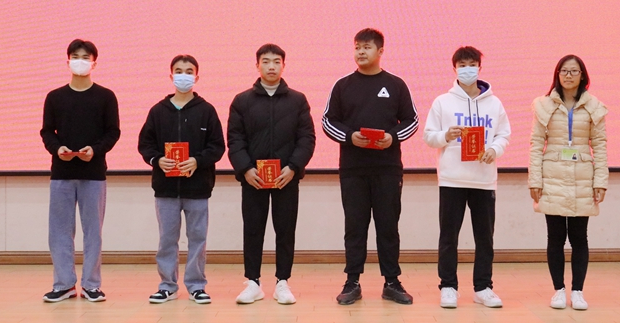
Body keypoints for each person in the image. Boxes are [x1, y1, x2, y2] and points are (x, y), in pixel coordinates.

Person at [322, 28, 419, 305]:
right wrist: (350, 137)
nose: (361, 52)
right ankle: (352, 281)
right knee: (355, 227)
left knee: (388, 226)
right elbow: (328, 121)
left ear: (380, 51)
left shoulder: (396, 84)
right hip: (353, 169)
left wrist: (393, 137)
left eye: (366, 47)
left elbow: (412, 120)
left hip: (387, 168)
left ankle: (392, 282)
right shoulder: (343, 85)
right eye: (357, 47)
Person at [423, 46, 511, 309]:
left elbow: (503, 134)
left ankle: (483, 287)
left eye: (472, 64)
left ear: (479, 67)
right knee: (448, 236)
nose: (467, 69)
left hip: (484, 180)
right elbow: (429, 136)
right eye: (462, 65)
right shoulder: (442, 102)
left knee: (485, 237)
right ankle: (448, 286)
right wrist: (446, 135)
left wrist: (494, 149)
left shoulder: (494, 103)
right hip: (452, 179)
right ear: (454, 69)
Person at [227, 44, 316, 305]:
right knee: (253, 229)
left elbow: (307, 138)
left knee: (285, 230)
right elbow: (235, 139)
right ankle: (253, 282)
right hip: (253, 178)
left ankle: (282, 282)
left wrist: (294, 167)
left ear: (283, 66)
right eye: (265, 61)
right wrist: (245, 169)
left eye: (277, 61)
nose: (271, 66)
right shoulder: (242, 101)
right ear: (257, 65)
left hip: (285, 177)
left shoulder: (297, 100)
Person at [138, 55, 225, 304]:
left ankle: (196, 285)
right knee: (167, 239)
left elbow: (217, 147)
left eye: (188, 71)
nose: (183, 75)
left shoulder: (207, 111)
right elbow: (145, 144)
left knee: (197, 238)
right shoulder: (158, 111)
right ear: (171, 76)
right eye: (178, 71)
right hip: (165, 188)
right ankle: (167, 285)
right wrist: (157, 160)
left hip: (198, 188)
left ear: (196, 76)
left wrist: (197, 161)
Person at [40, 39, 121, 302]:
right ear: (68, 61)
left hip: (93, 173)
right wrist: (57, 149)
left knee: (93, 232)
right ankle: (64, 284)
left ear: (94, 63)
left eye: (86, 57)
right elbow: (47, 132)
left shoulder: (106, 96)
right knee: (59, 231)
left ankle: (91, 285)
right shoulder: (55, 97)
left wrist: (94, 150)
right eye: (76, 56)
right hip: (61, 173)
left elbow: (113, 132)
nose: (80, 61)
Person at [528, 54, 608, 310]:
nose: (569, 75)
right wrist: (535, 180)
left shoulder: (594, 106)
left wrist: (601, 181)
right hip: (552, 175)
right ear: (557, 74)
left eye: (574, 71)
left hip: (582, 177)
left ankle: (578, 291)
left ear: (582, 75)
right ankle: (559, 291)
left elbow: (600, 146)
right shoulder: (543, 105)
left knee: (579, 237)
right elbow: (536, 144)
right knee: (555, 237)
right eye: (564, 71)